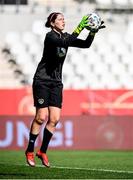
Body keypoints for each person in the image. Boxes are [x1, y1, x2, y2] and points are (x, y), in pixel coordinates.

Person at [25, 12, 105, 167]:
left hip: (56, 83)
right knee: (41, 117)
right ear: (52, 23)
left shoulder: (65, 36)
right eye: (60, 19)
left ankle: (42, 152)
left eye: (63, 19)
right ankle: (29, 150)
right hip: (42, 80)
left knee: (54, 119)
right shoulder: (51, 37)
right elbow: (67, 41)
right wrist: (81, 27)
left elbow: (85, 45)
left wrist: (92, 32)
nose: (63, 21)